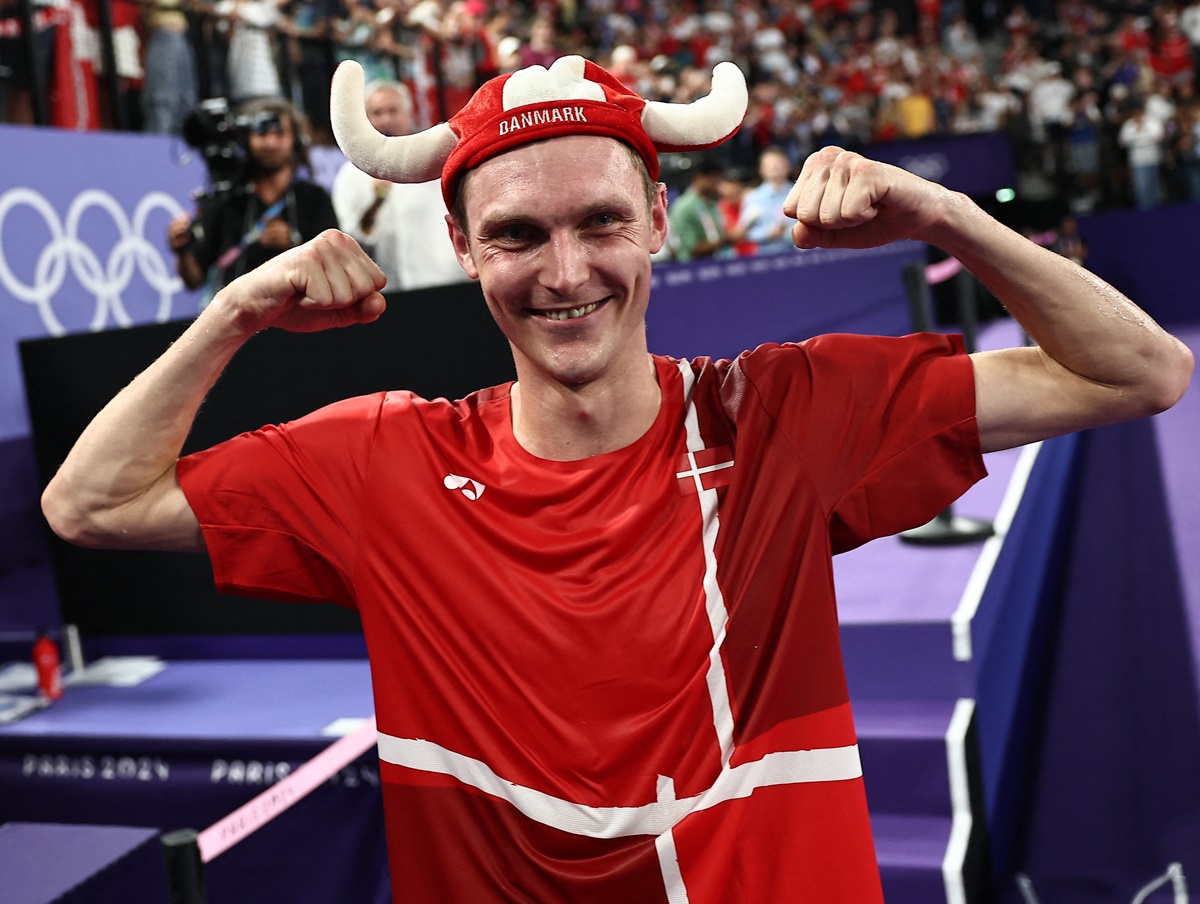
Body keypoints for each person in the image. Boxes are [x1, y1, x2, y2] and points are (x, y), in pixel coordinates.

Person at [42, 55, 1193, 901]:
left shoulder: (786, 414)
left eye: (601, 222)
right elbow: (89, 503)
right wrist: (233, 315)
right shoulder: (384, 461)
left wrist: (946, 213)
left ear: (657, 221)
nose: (565, 272)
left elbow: (1140, 371)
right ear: (461, 247)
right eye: (517, 235)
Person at [167, 97, 338, 295]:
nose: (271, 142)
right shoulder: (225, 200)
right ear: (245, 138)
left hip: (303, 316)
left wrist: (295, 245)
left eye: (279, 132)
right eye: (261, 132)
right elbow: (193, 280)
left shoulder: (315, 198)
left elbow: (335, 265)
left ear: (296, 139)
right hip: (241, 319)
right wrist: (182, 252)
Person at [331, 79, 469, 292]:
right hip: (389, 290)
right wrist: (379, 196)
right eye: (377, 112)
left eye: (393, 110)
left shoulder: (437, 156)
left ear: (409, 112)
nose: (386, 119)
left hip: (447, 280)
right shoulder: (351, 174)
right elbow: (352, 237)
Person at [667, 156, 732, 262]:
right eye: (713, 178)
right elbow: (690, 248)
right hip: (693, 269)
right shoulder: (684, 207)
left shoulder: (713, 203)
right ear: (698, 177)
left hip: (716, 263)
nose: (717, 183)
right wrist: (725, 242)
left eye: (719, 178)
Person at [738, 145, 795, 254]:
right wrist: (767, 234)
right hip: (765, 256)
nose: (774, 167)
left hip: (795, 255)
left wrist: (790, 233)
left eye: (779, 163)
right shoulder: (753, 197)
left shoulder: (798, 194)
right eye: (769, 164)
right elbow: (745, 233)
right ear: (760, 169)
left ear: (788, 166)